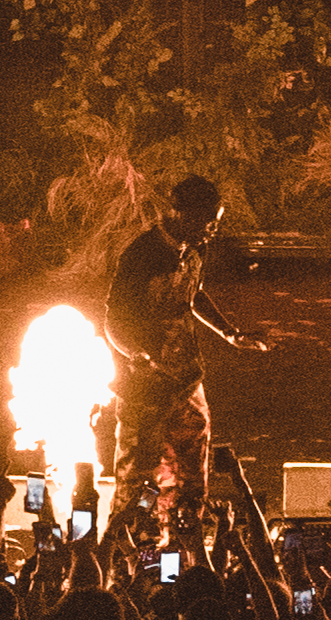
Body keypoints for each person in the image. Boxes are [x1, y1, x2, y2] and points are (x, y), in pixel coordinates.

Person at [104, 174, 248, 528]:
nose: (212, 230)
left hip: (187, 381)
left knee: (193, 475)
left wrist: (229, 332)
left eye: (216, 222)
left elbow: (193, 294)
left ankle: (186, 549)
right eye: (208, 221)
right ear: (180, 214)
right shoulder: (141, 255)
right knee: (136, 479)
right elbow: (113, 320)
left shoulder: (196, 245)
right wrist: (137, 355)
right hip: (145, 390)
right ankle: (126, 555)